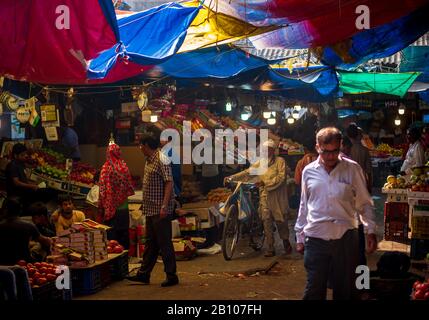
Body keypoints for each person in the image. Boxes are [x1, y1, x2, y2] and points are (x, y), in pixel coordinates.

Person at [295, 127, 377, 300]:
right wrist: (299, 235)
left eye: (335, 151)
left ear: (340, 146)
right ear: (317, 147)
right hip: (316, 237)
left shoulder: (352, 169)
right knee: (314, 288)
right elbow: (304, 204)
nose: (330, 156)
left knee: (345, 289)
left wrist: (370, 231)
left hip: (346, 237)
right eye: (326, 152)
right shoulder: (308, 171)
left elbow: (364, 202)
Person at [126, 134, 178, 287]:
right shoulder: (149, 159)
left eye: (140, 145)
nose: (139, 148)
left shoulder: (161, 158)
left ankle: (172, 275)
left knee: (164, 243)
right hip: (150, 209)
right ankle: (144, 274)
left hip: (159, 209)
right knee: (151, 243)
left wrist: (164, 206)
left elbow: (169, 183)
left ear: (146, 145)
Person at [226, 139, 291, 257]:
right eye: (264, 150)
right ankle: (270, 247)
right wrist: (232, 177)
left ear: (273, 150)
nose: (266, 152)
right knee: (266, 220)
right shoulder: (261, 162)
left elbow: (281, 178)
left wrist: (265, 183)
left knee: (280, 220)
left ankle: (285, 240)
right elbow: (248, 172)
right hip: (265, 195)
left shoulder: (280, 161)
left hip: (277, 196)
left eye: (268, 150)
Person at [98, 143, 134, 249]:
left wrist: (102, 206)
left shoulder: (105, 168)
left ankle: (114, 260)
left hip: (110, 209)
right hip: (123, 207)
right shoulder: (124, 167)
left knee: (112, 237)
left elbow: (102, 189)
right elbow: (128, 186)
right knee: (123, 233)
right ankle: (125, 258)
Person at [0, 198, 52, 265]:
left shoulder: (1, 225)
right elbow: (46, 242)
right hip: (24, 264)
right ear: (20, 210)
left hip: (3, 266)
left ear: (5, 210)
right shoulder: (29, 226)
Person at [346, 123, 373, 192]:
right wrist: (369, 185)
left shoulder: (346, 149)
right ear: (359, 136)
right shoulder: (365, 150)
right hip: (361, 181)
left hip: (349, 181)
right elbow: (369, 170)